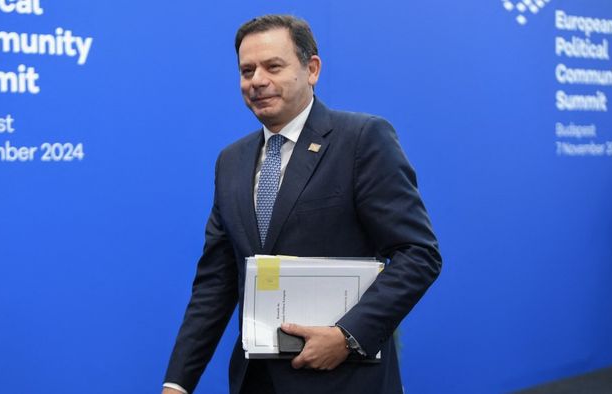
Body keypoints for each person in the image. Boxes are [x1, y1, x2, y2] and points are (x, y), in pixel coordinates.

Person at [163, 14, 442, 394]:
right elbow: (216, 282)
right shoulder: (231, 162)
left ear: (312, 69)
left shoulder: (361, 140)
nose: (257, 80)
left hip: (344, 379)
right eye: (247, 70)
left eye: (273, 66)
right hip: (256, 383)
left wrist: (347, 337)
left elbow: (419, 253)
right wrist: (178, 383)